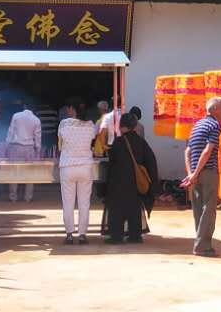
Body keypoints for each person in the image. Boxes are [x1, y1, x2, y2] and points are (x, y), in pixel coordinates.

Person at [105, 113, 159, 244]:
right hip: (136, 183)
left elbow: (111, 163)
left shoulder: (118, 142)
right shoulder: (141, 142)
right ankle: (135, 235)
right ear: (134, 126)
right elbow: (151, 161)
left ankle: (116, 236)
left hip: (119, 183)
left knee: (117, 209)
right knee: (134, 208)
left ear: (121, 126)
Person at [183, 97, 221, 257]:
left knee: (198, 208)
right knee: (209, 208)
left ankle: (201, 243)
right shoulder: (215, 125)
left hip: (195, 172)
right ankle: (202, 246)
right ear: (215, 109)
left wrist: (191, 174)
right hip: (208, 171)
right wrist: (195, 173)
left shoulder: (197, 125)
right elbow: (208, 151)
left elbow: (187, 151)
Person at [57, 98, 97, 244]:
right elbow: (93, 140)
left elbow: (60, 146)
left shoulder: (64, 124)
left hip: (67, 167)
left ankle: (69, 234)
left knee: (68, 203)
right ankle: (82, 234)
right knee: (84, 203)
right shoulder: (91, 125)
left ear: (72, 109)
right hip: (85, 167)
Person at [5, 99, 42, 202]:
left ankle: (13, 197)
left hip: (16, 147)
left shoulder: (16, 116)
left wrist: (7, 144)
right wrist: (38, 151)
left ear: (24, 106)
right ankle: (28, 197)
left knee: (14, 172)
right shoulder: (36, 120)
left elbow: (10, 131)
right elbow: (37, 137)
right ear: (34, 109)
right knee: (30, 173)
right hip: (29, 148)